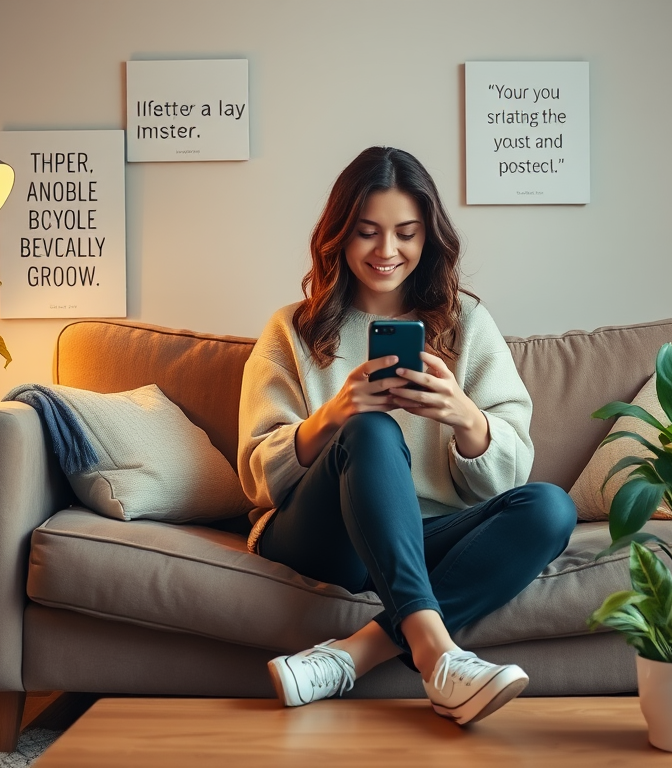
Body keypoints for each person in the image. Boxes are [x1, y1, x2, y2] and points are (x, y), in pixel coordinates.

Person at [237, 146, 576, 725]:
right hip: (321, 537)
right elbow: (256, 478)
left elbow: (511, 470)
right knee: (369, 428)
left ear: (428, 238)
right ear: (339, 237)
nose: (387, 251)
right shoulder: (291, 330)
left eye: (406, 233)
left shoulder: (467, 323)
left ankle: (351, 655)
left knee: (550, 508)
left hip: (416, 541)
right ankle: (438, 657)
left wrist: (465, 416)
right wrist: (332, 417)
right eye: (367, 232)